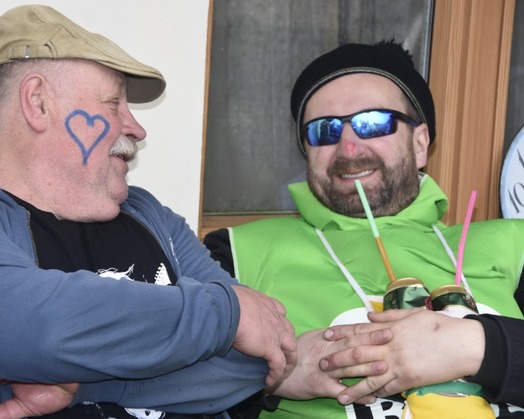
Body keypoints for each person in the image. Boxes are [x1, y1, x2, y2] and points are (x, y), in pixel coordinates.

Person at [0, 4, 301, 419]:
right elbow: (44, 329)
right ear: (38, 102)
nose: (137, 129)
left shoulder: (148, 215)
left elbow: (260, 357)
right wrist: (226, 315)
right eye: (114, 103)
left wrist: (73, 380)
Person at [204, 40, 524, 418]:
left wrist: (477, 346)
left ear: (420, 144)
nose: (349, 147)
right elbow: (176, 374)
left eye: (373, 122)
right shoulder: (238, 251)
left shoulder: (512, 244)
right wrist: (265, 376)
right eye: (324, 130)